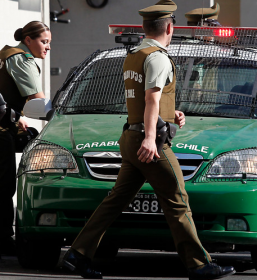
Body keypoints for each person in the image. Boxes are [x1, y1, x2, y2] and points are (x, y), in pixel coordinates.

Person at [62, 1, 235, 279]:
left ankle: (77, 254)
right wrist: (152, 138)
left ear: (145, 27)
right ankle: (199, 265)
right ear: (170, 27)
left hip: (131, 136)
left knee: (114, 201)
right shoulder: (157, 57)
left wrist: (171, 113)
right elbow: (151, 98)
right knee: (178, 200)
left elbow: (149, 99)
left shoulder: (135, 54)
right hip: (146, 141)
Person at [0, 21, 51, 257]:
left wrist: (19, 119)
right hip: (1, 133)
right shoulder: (22, 59)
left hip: (5, 127)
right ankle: (3, 240)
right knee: (4, 186)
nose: (47, 47)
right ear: (28, 40)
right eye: (44, 41)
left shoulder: (7, 53)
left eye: (49, 42)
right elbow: (37, 101)